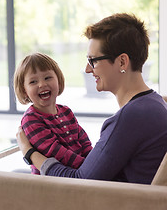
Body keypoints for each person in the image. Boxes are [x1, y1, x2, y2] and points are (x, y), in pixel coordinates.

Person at [16, 13, 167, 184]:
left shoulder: (131, 117)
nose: (88, 69)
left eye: (93, 60)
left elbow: (81, 182)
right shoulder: (156, 103)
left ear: (122, 62)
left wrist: (29, 153)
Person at [13, 52, 93, 174]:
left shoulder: (66, 111)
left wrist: (93, 160)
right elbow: (55, 151)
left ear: (58, 81)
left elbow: (84, 141)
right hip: (50, 181)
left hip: (79, 171)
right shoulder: (31, 119)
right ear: (25, 91)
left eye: (47, 78)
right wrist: (86, 166)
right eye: (33, 82)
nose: (42, 84)